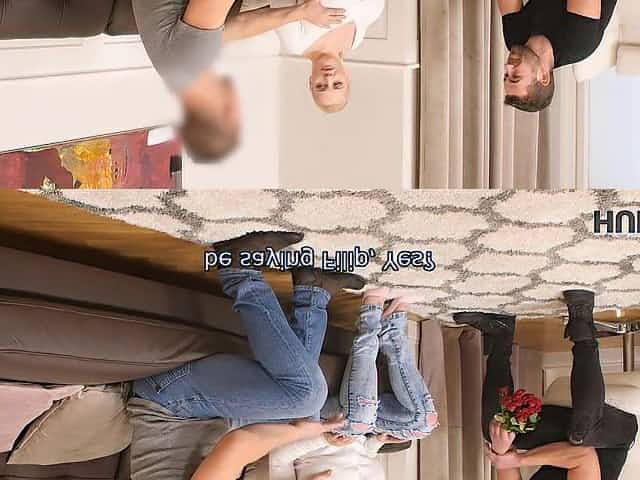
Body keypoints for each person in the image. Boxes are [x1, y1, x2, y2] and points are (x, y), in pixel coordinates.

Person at [132, 230, 366, 480]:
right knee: (305, 412)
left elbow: (238, 444)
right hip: (212, 420)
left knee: (306, 397)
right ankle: (313, 290)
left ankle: (238, 269)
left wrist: (301, 432)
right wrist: (314, 434)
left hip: (169, 404)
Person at [453, 290, 638, 480]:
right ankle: (582, 318)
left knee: (496, 426)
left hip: (562, 438)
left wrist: (502, 450)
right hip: (608, 436)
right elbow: (583, 456)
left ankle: (501, 332)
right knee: (582, 434)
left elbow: (505, 462)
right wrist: (519, 460)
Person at [270, 287, 439, 480]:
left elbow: (277, 459)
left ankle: (371, 310)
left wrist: (324, 439)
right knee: (424, 422)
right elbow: (361, 455)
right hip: (361, 429)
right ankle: (392, 326)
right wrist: (378, 441)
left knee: (359, 422)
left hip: (319, 425)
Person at [132, 0, 243, 162]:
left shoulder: (194, 59)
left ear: (228, 114)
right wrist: (285, 16)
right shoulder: (181, 78)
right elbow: (241, 26)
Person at [499, 0, 618, 112]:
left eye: (506, 75)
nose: (508, 66)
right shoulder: (577, 43)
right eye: (516, 76)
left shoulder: (514, 41)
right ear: (543, 76)